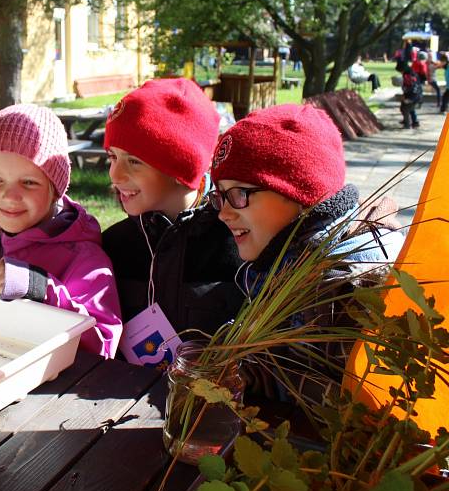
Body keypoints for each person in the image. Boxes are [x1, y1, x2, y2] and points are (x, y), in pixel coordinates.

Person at [209, 103, 404, 399]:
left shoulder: (338, 288)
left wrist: (231, 373)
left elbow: (307, 399)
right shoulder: (289, 258)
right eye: (220, 196)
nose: (223, 214)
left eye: (239, 193)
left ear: (299, 192)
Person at [0, 104, 122, 358]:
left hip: (51, 391)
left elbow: (102, 346)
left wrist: (40, 288)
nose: (10, 196)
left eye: (29, 182)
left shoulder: (84, 258)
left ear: (55, 189)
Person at [101, 78, 244, 351]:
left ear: (181, 168)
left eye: (134, 161)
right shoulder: (113, 246)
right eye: (112, 157)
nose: (114, 174)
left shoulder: (235, 245)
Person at [397, 59, 423, 128]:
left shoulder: (410, 76)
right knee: (410, 108)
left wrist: (409, 99)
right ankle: (415, 122)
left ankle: (407, 124)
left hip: (414, 96)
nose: (400, 72)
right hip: (412, 94)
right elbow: (406, 86)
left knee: (405, 108)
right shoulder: (407, 74)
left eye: (401, 71)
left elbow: (413, 88)